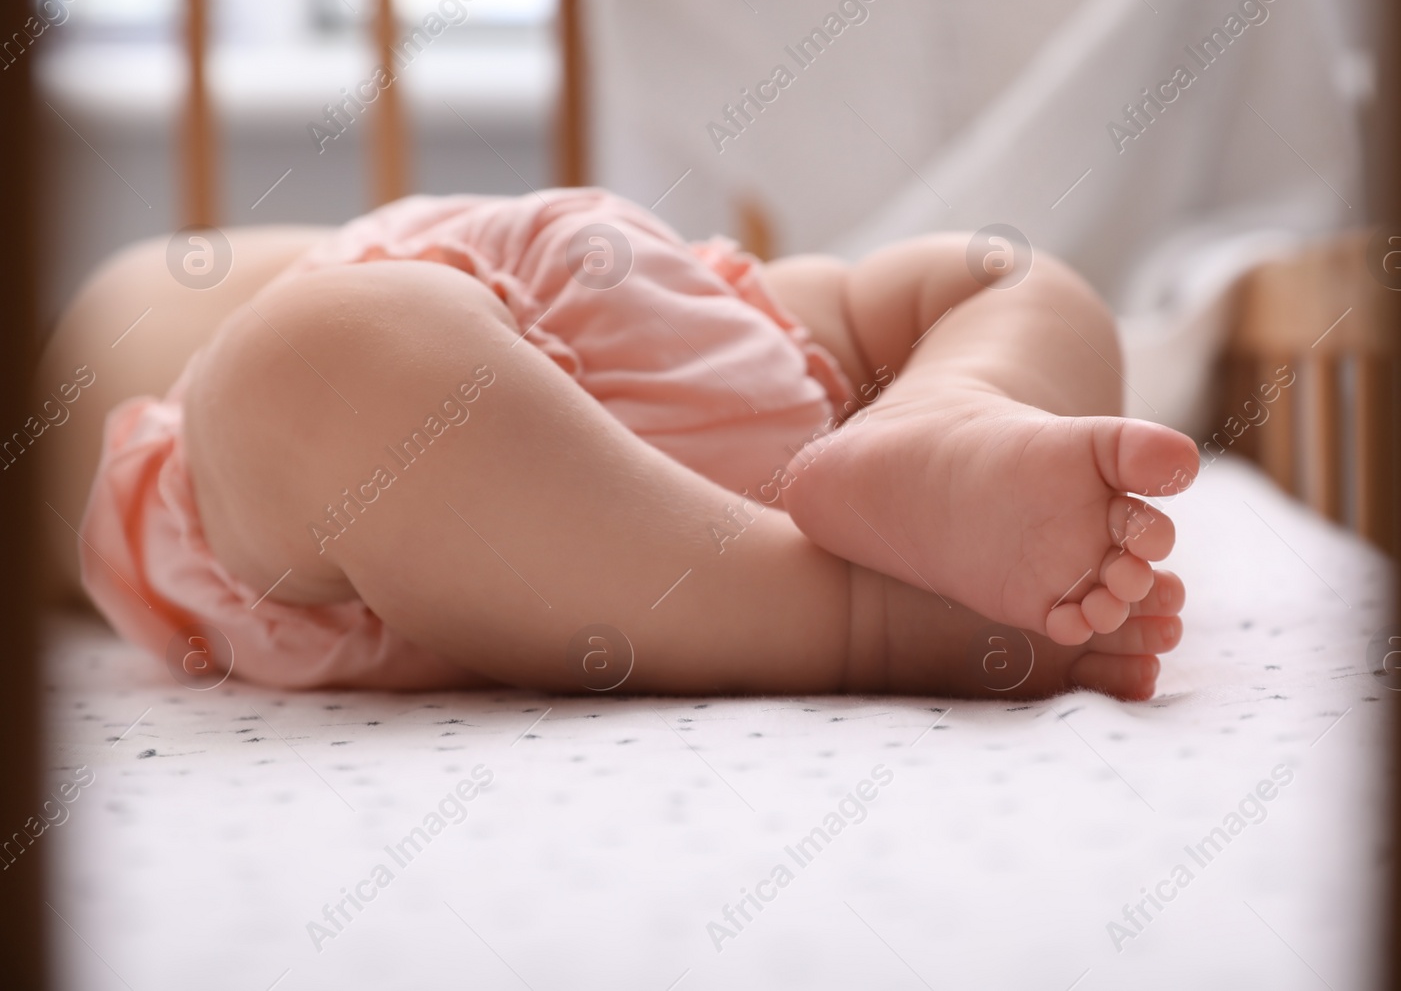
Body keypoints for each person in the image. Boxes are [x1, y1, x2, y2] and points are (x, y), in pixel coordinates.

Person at [38, 189, 1197, 698]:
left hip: (608, 308)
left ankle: (949, 413)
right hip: (476, 419)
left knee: (1001, 274)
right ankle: (856, 600)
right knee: (319, 357)